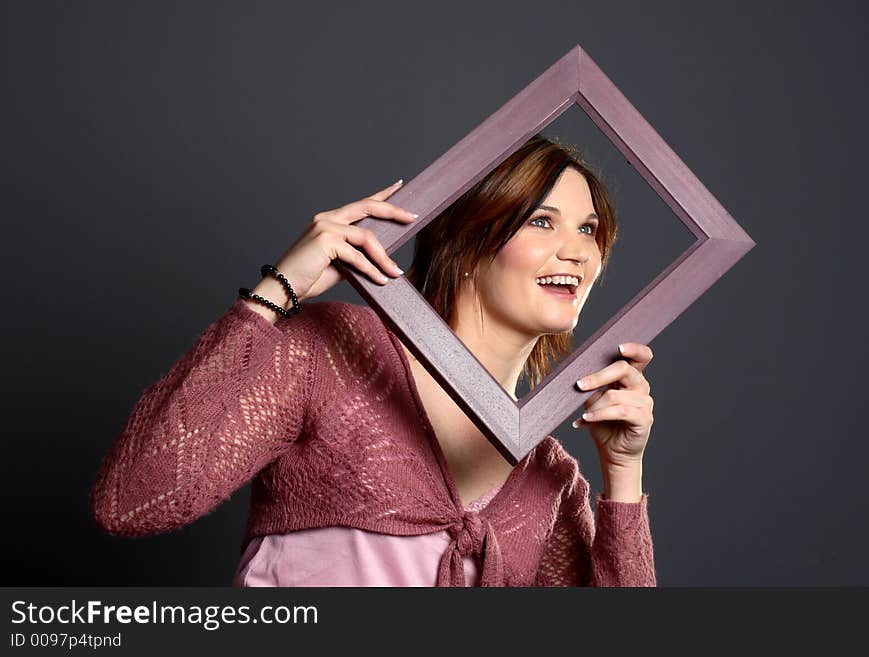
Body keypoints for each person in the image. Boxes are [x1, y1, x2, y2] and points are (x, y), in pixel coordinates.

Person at [90, 134, 658, 587]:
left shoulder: (550, 476)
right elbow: (134, 501)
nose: (578, 250)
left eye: (589, 229)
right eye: (542, 220)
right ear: (469, 240)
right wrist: (273, 295)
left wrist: (624, 473)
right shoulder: (339, 352)